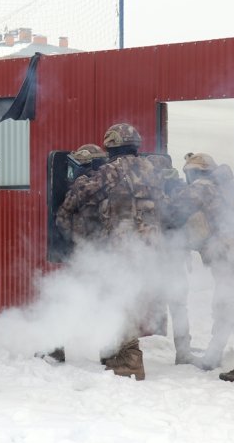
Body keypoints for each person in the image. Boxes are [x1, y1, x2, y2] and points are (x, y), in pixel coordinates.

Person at [70, 122, 167, 380]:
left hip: (123, 248)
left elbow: (82, 195)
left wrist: (80, 179)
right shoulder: (152, 170)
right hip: (151, 248)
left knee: (119, 299)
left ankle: (129, 361)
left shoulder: (112, 170)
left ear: (111, 146)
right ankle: (117, 353)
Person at [170, 152, 234, 383]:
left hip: (231, 257)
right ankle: (213, 355)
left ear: (196, 172)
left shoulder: (203, 186)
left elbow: (175, 208)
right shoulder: (225, 188)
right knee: (225, 305)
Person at [37, 143, 108, 363]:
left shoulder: (82, 185)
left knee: (63, 300)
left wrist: (74, 239)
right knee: (106, 303)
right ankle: (109, 354)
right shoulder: (112, 184)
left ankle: (55, 349)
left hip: (83, 255)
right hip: (107, 256)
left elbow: (62, 217)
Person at [145, 153, 195, 365]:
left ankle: (122, 351)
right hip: (175, 254)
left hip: (154, 256)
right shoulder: (181, 189)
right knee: (179, 306)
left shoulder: (150, 189)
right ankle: (183, 352)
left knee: (129, 297)